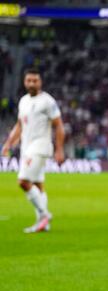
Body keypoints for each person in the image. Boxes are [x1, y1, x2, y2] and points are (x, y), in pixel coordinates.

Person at [1, 68, 65, 233]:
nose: (31, 84)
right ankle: (43, 224)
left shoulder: (47, 101)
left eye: (35, 81)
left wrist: (59, 150)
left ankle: (44, 215)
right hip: (26, 147)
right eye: (28, 80)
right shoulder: (23, 101)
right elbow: (20, 125)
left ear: (40, 82)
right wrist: (8, 143)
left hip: (40, 146)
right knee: (37, 184)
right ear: (24, 82)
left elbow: (59, 125)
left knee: (23, 181)